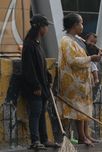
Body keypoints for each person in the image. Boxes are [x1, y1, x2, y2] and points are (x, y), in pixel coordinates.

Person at [59, 13, 101, 146]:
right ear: (74, 25)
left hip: (81, 82)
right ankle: (82, 137)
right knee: (78, 110)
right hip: (73, 82)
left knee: (84, 109)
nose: (82, 26)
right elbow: (72, 61)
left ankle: (85, 135)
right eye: (81, 23)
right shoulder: (66, 41)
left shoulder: (77, 39)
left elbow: (87, 51)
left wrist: (97, 53)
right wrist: (91, 58)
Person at [21, 14, 59, 149]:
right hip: (34, 88)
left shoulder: (37, 44)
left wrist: (48, 77)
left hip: (42, 86)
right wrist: (36, 85)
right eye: (45, 27)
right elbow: (28, 68)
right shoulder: (29, 45)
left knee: (42, 113)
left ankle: (44, 139)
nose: (47, 30)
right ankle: (35, 141)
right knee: (36, 114)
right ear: (40, 28)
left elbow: (41, 65)